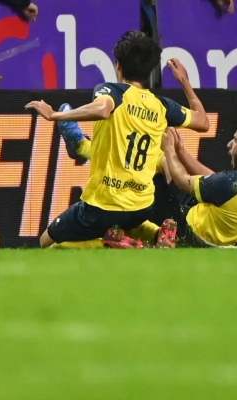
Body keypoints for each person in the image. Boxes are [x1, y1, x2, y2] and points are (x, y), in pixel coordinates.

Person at [24, 31, 210, 249]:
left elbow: (103, 109)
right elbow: (202, 122)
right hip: (142, 207)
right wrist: (184, 81)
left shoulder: (112, 91)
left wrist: (54, 115)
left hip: (102, 204)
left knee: (47, 243)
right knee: (128, 219)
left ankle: (109, 243)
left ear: (118, 66)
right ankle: (156, 233)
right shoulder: (162, 106)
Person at [158, 122, 237, 248]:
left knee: (164, 161)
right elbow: (217, 184)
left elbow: (182, 181)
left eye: (235, 140)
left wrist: (169, 149)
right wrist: (181, 152)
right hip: (228, 248)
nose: (229, 144)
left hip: (191, 232)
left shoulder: (234, 183)